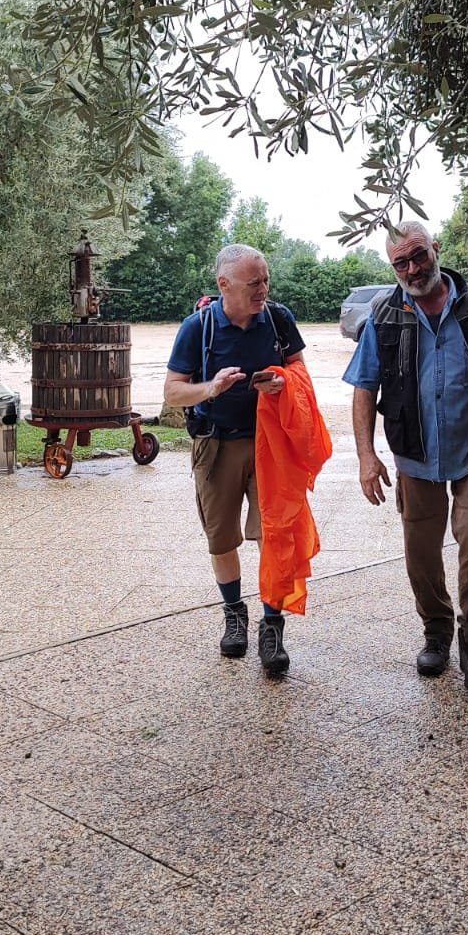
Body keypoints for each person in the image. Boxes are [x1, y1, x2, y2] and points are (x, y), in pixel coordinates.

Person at [344, 220, 468, 695]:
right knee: (421, 553)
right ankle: (436, 630)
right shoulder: (384, 315)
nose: (413, 269)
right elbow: (364, 388)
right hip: (414, 457)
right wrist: (367, 456)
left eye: (419, 256)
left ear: (436, 249)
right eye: (401, 263)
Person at [164, 243, 309, 677]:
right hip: (217, 445)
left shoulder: (278, 319)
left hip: (271, 446)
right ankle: (233, 614)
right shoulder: (198, 327)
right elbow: (173, 391)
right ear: (224, 284)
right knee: (222, 539)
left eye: (265, 280)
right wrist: (211, 388)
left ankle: (272, 626)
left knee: (274, 535)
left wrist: (282, 381)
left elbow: (300, 372)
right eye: (253, 283)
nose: (263, 290)